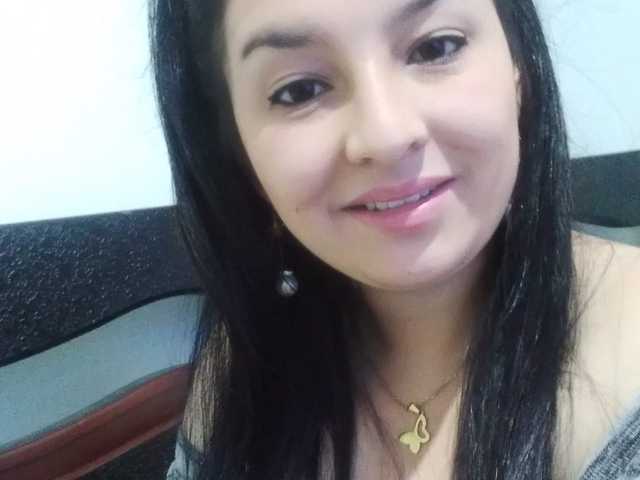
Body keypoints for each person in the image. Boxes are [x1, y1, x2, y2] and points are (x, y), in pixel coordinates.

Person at [149, 0, 640, 478]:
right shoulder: (239, 373)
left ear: (518, 65)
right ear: (238, 153)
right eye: (299, 90)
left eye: (435, 48)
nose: (385, 136)